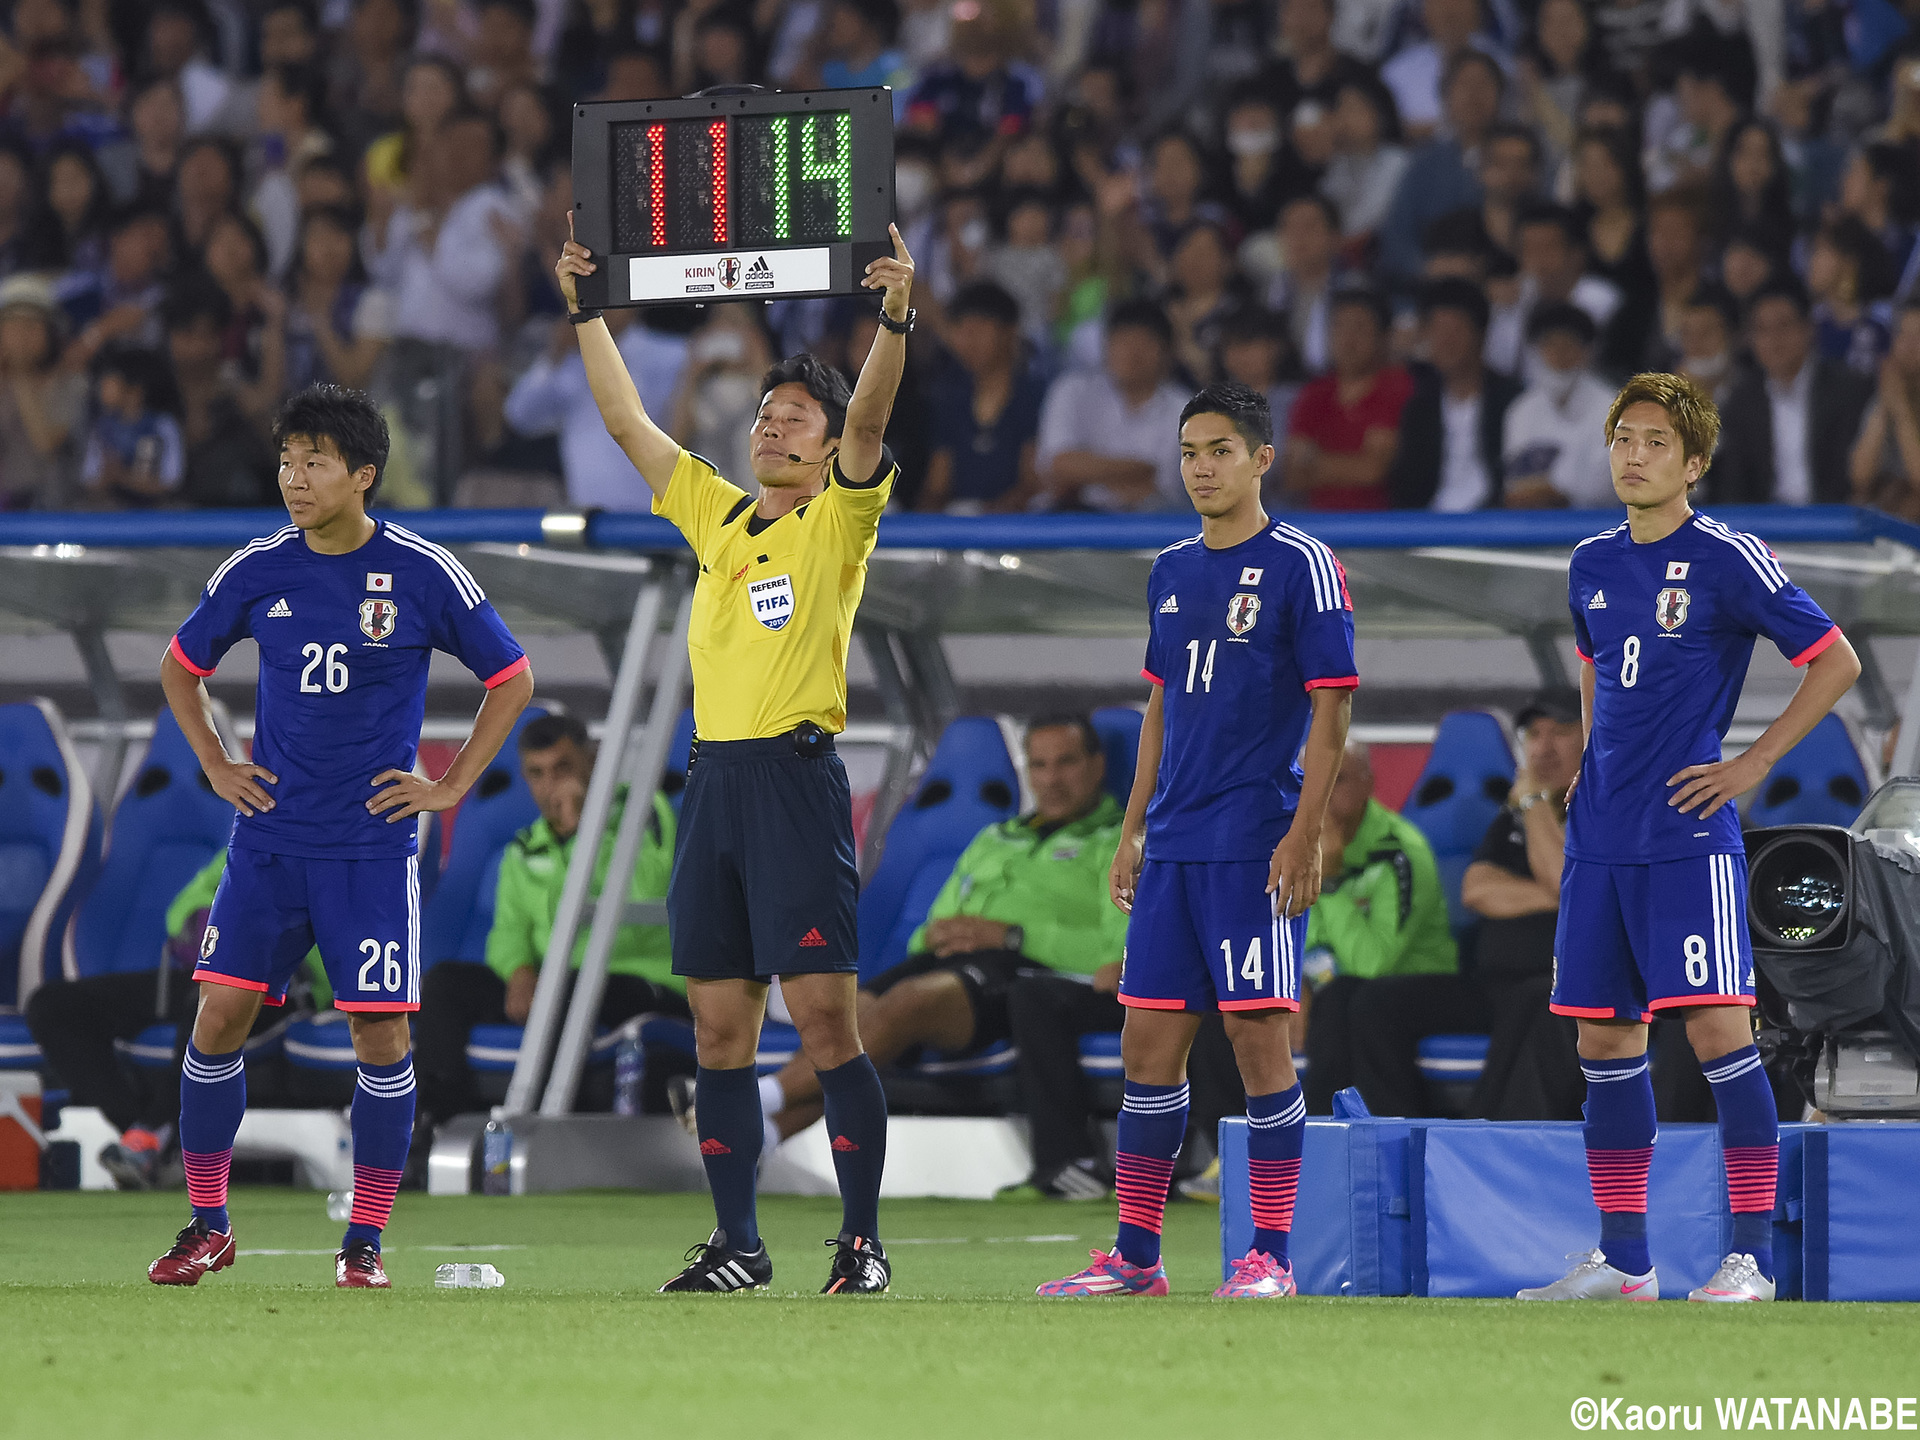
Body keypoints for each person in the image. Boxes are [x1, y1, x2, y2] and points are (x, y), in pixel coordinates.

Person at [557, 219, 917, 1295]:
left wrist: (895, 315)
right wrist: (586, 309)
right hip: (714, 780)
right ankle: (739, 1245)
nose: (771, 430)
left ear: (822, 446)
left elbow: (875, 412)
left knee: (821, 1021)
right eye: (765, 416)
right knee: (718, 1027)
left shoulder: (837, 523)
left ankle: (861, 1241)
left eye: (793, 420)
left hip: (797, 784)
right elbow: (625, 421)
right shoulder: (719, 519)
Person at [148, 383, 534, 1289]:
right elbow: (178, 670)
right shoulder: (256, 568)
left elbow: (510, 679)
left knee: (380, 1038)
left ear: (362, 474)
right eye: (286, 461)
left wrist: (449, 787)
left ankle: (363, 1243)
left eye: (314, 461)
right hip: (270, 843)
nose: (293, 477)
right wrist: (216, 763)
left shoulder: (425, 573)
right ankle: (208, 1222)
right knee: (216, 1020)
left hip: (368, 849)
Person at [1518, 372, 1861, 1304]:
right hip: (1599, 838)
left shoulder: (1729, 557)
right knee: (1603, 1042)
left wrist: (1750, 766)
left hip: (1684, 833)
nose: (1633, 454)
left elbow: (1835, 661)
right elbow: (1596, 668)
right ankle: (1626, 1262)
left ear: (1695, 462)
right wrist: (1589, 760)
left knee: (1717, 1031)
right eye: (1623, 437)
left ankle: (1749, 1259)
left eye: (1655, 442)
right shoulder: (1591, 561)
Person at [1038, 380, 1357, 1300]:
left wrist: (1306, 835)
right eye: (1187, 452)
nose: (1200, 468)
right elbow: (1159, 710)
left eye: (1219, 450)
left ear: (1263, 458)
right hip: (1173, 846)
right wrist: (1131, 828)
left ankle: (1273, 1258)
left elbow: (1333, 708)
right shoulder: (1171, 569)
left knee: (1259, 1044)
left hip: (1255, 841)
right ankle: (1138, 1257)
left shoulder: (1305, 563)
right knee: (1147, 1046)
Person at [731, 716, 1126, 1148]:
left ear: (1098, 765)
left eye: (1065, 763)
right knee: (847, 1013)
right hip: (951, 961)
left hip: (1022, 971)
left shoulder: (1119, 844)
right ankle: (766, 1137)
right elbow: (929, 930)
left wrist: (1010, 935)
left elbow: (1112, 957)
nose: (1052, 780)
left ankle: (756, 1097)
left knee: (908, 1003)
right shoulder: (996, 838)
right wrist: (942, 935)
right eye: (1040, 766)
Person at [415, 712, 684, 1127]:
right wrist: (519, 971)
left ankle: (542, 1129)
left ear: (592, 761)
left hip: (642, 980)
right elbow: (508, 933)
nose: (551, 784)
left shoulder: (645, 812)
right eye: (536, 774)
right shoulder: (525, 848)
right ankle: (436, 1121)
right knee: (446, 984)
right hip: (555, 983)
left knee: (564, 988)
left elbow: (638, 903)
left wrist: (581, 836)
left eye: (563, 768)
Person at [1348, 687, 1587, 1120]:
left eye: (1561, 731)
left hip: (1554, 986)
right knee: (1375, 1003)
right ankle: (1396, 1134)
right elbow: (1476, 888)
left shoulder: (1595, 806)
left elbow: (1567, 883)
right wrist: (1550, 892)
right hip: (1489, 983)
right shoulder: (1512, 816)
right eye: (1534, 733)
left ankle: (1484, 1140)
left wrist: (1533, 802)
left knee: (1536, 1000)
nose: (1544, 746)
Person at [27, 850, 326, 1191]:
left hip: (288, 981)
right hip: (211, 970)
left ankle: (153, 1135)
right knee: (53, 1006)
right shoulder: (257, 833)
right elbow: (187, 901)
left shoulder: (343, 845)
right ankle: (141, 1136)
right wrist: (204, 920)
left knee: (206, 1004)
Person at [1297, 743, 1457, 1112]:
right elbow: (1303, 938)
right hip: (1343, 991)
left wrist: (1332, 882)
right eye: (1308, 782)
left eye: (1337, 780)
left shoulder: (1401, 852)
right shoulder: (1296, 847)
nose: (1319, 795)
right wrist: (1297, 984)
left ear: (1369, 785)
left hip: (1423, 985)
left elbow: (1373, 964)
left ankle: (1376, 1137)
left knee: (1356, 1000)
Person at [1709, 280, 1874, 506]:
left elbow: (1851, 479)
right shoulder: (1742, 400)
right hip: (1768, 527)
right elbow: (1734, 485)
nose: (1774, 339)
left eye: (1784, 326)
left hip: (1835, 524)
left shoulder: (1847, 391)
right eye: (1763, 330)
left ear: (1808, 328)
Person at [1035, 300, 1187, 511]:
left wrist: (1085, 474)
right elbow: (1057, 468)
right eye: (1122, 342)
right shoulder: (1073, 390)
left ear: (1167, 352)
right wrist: (1137, 470)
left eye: (1143, 343)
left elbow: (1157, 489)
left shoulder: (1184, 409)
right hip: (1069, 518)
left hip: (1146, 527)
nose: (1132, 354)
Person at [1389, 277, 1521, 511]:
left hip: (1495, 523)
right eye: (1437, 330)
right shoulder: (1419, 408)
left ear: (1480, 333)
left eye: (1456, 330)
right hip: (1430, 524)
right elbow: (1407, 487)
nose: (1446, 341)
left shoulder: (1513, 402)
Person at [919, 280, 1044, 513]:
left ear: (1010, 331)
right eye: (961, 330)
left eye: (978, 329)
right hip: (958, 531)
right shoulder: (950, 400)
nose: (968, 341)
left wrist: (988, 513)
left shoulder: (1035, 397)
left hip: (1019, 532)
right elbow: (937, 484)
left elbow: (1034, 483)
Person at [1283, 286, 1412, 511]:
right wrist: (1352, 464)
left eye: (1359, 328)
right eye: (1339, 327)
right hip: (1319, 525)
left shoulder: (1398, 387)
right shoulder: (1314, 394)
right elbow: (1293, 475)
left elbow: (1373, 470)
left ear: (1383, 336)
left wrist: (1316, 463)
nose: (1348, 339)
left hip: (1381, 525)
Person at [1499, 303, 1616, 508]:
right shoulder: (1521, 410)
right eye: (1550, 345)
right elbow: (1516, 486)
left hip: (1596, 524)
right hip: (1531, 525)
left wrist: (1555, 489)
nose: (1559, 355)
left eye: (1568, 345)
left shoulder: (1612, 406)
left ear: (1587, 351)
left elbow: (1603, 486)